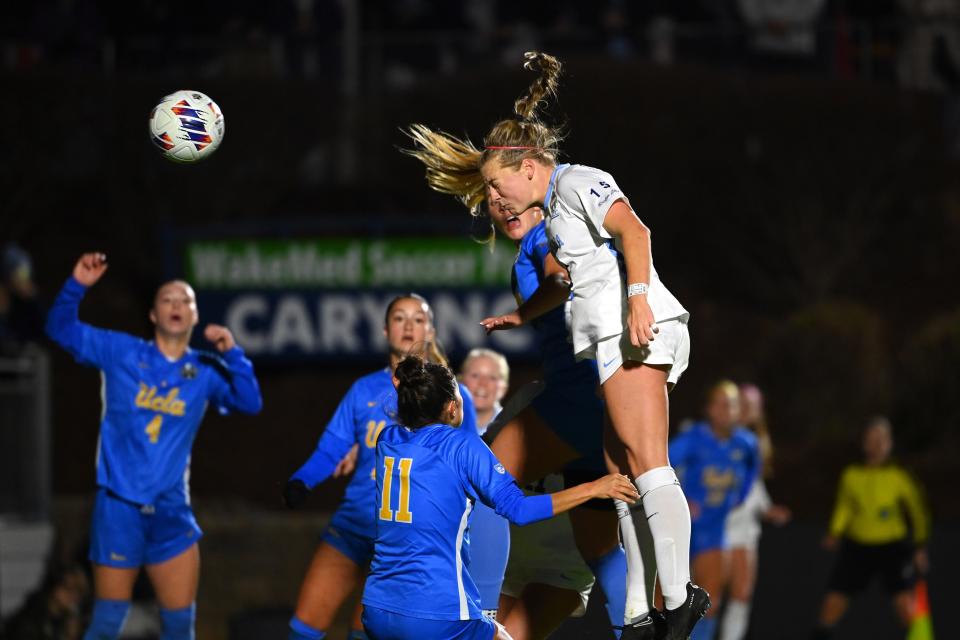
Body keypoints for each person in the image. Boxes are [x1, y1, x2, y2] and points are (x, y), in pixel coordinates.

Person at [401, 50, 705, 639]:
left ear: (525, 169)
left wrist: (620, 294)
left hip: (580, 392)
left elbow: (582, 258)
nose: (494, 201)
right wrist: (524, 313)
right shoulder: (551, 219)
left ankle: (469, 619)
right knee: (605, 533)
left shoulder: (558, 211)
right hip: (593, 384)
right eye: (485, 194)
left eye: (496, 187)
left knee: (475, 478)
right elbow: (563, 275)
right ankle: (638, 622)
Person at [45, 252, 263, 640]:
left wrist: (233, 353)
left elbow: (250, 402)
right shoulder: (122, 352)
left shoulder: (206, 369)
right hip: (119, 507)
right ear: (152, 315)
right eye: (167, 300)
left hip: (170, 511)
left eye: (186, 301)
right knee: (108, 621)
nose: (177, 305)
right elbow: (59, 328)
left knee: (180, 627)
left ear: (195, 316)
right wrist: (76, 285)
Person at [361, 355, 641, 640]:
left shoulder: (388, 440)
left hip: (377, 608)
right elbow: (518, 510)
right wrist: (594, 488)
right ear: (450, 407)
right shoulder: (462, 446)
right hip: (438, 612)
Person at [282, 293, 484, 640]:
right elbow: (332, 446)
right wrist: (301, 481)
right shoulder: (364, 390)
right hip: (354, 524)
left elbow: (471, 463)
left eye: (418, 319)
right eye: (399, 318)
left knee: (368, 633)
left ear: (431, 330)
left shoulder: (452, 394)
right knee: (304, 626)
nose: (408, 326)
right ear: (384, 329)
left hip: (409, 538)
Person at [812, 417, 930, 639]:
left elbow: (918, 512)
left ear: (890, 444)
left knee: (906, 606)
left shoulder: (899, 476)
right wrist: (835, 532)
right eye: (872, 439)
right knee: (831, 604)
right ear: (864, 443)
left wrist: (920, 545)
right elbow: (844, 507)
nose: (876, 444)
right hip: (858, 546)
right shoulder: (851, 475)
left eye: (882, 439)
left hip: (892, 547)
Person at [669, 381, 761, 640]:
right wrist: (681, 499)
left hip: (714, 531)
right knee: (668, 600)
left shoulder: (746, 443)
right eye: (720, 404)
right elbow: (660, 464)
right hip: (682, 528)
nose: (726, 410)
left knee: (708, 603)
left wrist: (739, 497)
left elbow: (754, 469)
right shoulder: (693, 438)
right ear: (709, 409)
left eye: (731, 404)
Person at [719, 383, 790, 640]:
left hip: (746, 526)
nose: (749, 410)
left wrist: (767, 509)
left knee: (742, 594)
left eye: (754, 406)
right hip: (718, 525)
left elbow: (754, 485)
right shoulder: (719, 435)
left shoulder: (758, 442)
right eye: (745, 404)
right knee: (708, 596)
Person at [458, 348, 513, 621]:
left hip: (504, 556)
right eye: (475, 375)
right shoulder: (442, 430)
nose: (482, 384)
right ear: (460, 380)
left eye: (492, 377)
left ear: (503, 386)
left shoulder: (516, 431)